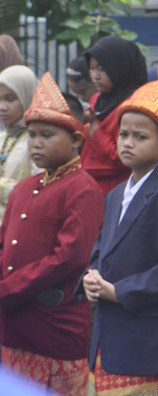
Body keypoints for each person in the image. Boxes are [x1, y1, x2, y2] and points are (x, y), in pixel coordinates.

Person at [76, 80, 158, 394]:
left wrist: (118, 291)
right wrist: (91, 276)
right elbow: (101, 250)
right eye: (123, 134)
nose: (127, 143)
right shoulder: (115, 195)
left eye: (140, 136)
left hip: (151, 337)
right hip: (113, 331)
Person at [0, 72, 104, 395]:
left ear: (76, 140)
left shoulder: (83, 188)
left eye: (46, 135)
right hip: (13, 323)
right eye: (32, 135)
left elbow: (69, 257)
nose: (36, 143)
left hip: (53, 326)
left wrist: (8, 289)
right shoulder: (24, 188)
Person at [81, 36, 147, 194]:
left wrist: (95, 127)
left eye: (102, 69)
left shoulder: (132, 105)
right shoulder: (96, 99)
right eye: (92, 68)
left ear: (119, 68)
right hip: (87, 182)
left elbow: (121, 157)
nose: (95, 75)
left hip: (115, 187)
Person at [0, 65, 41, 219]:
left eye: (10, 99)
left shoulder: (37, 141)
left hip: (20, 227)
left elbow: (39, 189)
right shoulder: (3, 138)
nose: (2, 107)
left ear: (27, 96)